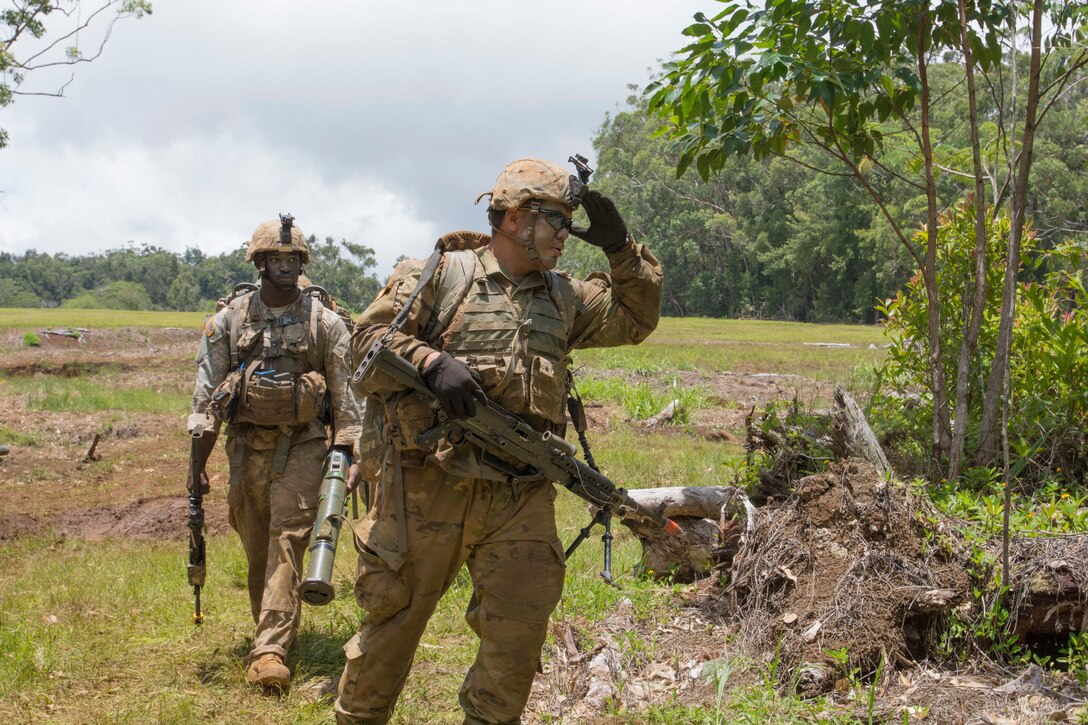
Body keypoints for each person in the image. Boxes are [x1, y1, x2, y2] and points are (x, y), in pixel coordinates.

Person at [335, 158, 663, 724]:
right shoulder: (442, 275)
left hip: (521, 496)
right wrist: (430, 360)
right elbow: (361, 343)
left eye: (569, 223)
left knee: (516, 642)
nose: (565, 235)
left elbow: (636, 318)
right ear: (513, 219)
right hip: (428, 488)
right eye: (554, 220)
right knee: (391, 631)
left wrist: (622, 249)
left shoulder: (563, 297)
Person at [187, 215, 362, 691]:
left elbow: (347, 401)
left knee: (287, 540)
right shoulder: (229, 321)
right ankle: (271, 632)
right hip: (245, 448)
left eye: (293, 259)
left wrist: (348, 455)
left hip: (303, 445)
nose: (285, 266)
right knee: (258, 546)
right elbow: (207, 399)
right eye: (276, 259)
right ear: (260, 262)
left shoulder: (324, 323)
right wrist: (197, 467)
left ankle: (270, 649)